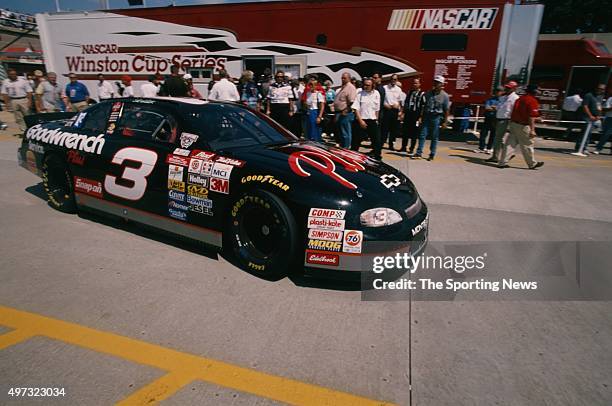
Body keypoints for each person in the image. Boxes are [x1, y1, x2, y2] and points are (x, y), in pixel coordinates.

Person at [498, 84, 544, 169]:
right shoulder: (532, 101)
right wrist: (532, 129)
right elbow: (531, 116)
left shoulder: (520, 98)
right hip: (523, 126)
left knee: (510, 144)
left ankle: (502, 162)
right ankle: (532, 164)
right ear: (534, 91)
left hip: (514, 124)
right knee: (527, 144)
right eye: (539, 90)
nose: (540, 92)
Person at [413, 75, 449, 161]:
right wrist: (421, 117)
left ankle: (432, 154)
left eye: (438, 83)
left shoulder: (445, 96)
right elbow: (423, 106)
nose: (435, 84)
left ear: (441, 84)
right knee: (422, 135)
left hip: (436, 117)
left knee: (434, 136)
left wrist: (445, 122)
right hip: (427, 116)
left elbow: (446, 110)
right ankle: (419, 153)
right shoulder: (428, 93)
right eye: (435, 82)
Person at [486, 81, 519, 163]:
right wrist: (495, 107)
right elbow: (500, 107)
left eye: (509, 88)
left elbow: (515, 111)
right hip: (499, 119)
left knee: (500, 139)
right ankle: (497, 156)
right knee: (499, 139)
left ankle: (501, 155)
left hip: (506, 120)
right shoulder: (503, 97)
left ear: (514, 89)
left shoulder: (515, 98)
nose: (506, 89)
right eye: (506, 87)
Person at [352, 77, 381, 159]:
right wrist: (360, 121)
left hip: (372, 120)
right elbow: (356, 108)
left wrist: (376, 120)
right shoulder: (359, 94)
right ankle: (353, 157)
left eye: (368, 85)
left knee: (376, 141)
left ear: (372, 85)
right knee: (356, 142)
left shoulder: (376, 94)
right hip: (361, 120)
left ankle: (377, 157)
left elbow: (377, 109)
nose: (365, 86)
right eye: (364, 85)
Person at [576, 83, 606, 153]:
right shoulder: (589, 95)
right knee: (586, 133)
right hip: (587, 117)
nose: (600, 90)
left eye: (602, 89)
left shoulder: (599, 97)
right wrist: (590, 116)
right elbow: (585, 106)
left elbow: (599, 107)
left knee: (587, 133)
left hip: (595, 118)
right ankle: (582, 148)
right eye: (599, 88)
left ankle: (581, 147)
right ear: (596, 88)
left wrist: (599, 115)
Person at [1, 68, 33, 134]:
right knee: (18, 117)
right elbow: (4, 93)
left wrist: (29, 101)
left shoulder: (23, 81)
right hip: (13, 100)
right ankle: (24, 130)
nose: (13, 75)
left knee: (28, 115)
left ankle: (32, 129)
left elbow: (29, 91)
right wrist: (7, 104)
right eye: (11, 74)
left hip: (23, 99)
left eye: (15, 74)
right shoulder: (5, 82)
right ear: (8, 75)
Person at [400, 78, 426, 154]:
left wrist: (421, 117)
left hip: (416, 115)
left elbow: (423, 106)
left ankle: (412, 148)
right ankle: (403, 147)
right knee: (405, 131)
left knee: (414, 133)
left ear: (419, 84)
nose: (414, 85)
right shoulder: (410, 92)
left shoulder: (422, 94)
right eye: (413, 83)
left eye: (416, 83)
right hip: (408, 114)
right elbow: (406, 103)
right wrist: (403, 113)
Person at [475, 86, 503, 153]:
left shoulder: (502, 100)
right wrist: (495, 108)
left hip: (496, 119)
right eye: (496, 91)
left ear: (502, 92)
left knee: (493, 134)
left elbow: (501, 109)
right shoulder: (490, 99)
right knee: (483, 133)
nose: (497, 92)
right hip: (488, 118)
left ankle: (489, 148)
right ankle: (481, 147)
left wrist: (494, 108)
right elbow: (487, 107)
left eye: (499, 91)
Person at [333, 72, 357, 148]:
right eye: (342, 78)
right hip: (339, 112)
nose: (343, 79)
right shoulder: (343, 87)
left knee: (345, 133)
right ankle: (342, 146)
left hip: (345, 113)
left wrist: (346, 110)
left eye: (345, 78)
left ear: (349, 78)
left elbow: (352, 101)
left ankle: (346, 148)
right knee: (341, 132)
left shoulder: (350, 87)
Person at [301, 74, 325, 142]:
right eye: (310, 84)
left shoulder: (318, 94)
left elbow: (322, 106)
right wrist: (305, 105)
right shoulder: (308, 93)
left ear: (315, 85)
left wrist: (319, 116)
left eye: (312, 85)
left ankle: (317, 142)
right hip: (308, 112)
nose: (311, 86)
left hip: (315, 112)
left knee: (315, 130)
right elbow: (305, 102)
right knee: (308, 130)